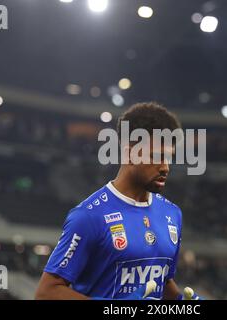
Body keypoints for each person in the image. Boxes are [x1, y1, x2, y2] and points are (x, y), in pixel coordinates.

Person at [35, 102, 201, 300]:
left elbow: (162, 281)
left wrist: (182, 302)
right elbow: (46, 293)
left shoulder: (172, 214)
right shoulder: (89, 216)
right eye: (157, 156)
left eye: (169, 157)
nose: (165, 167)